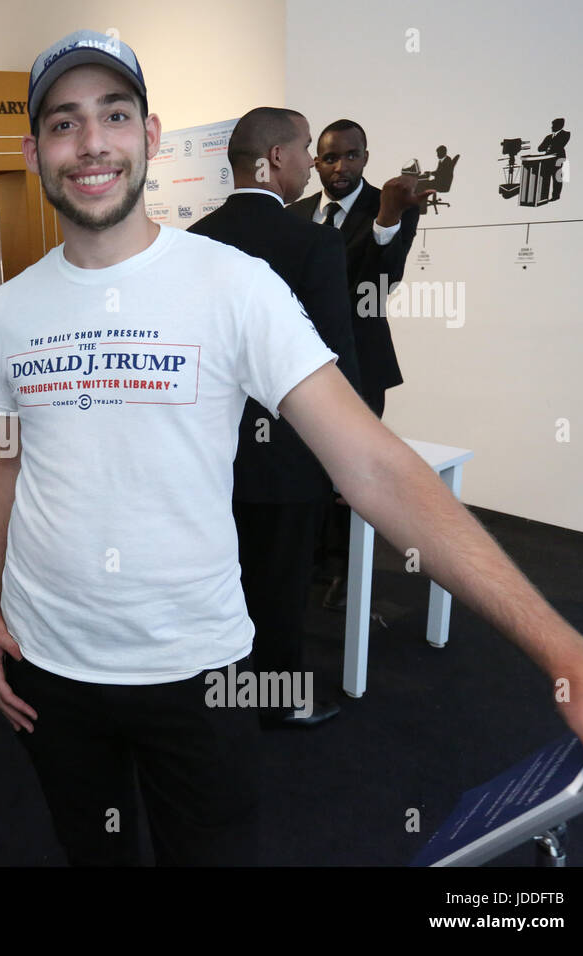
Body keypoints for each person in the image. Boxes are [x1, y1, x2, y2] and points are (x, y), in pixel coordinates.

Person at [0, 29, 583, 867]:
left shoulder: (231, 285)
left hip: (197, 670)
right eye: (64, 123)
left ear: (149, 136)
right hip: (47, 663)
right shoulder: (11, 311)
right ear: (33, 149)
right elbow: (0, 454)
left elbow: (373, 464)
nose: (91, 142)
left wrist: (563, 649)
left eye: (114, 115)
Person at [188, 106, 361, 728]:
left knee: (217, 577)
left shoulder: (193, 242)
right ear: (279, 158)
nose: (315, 161)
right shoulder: (314, 241)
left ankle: (220, 690)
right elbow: (332, 362)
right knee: (282, 585)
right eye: (308, 148)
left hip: (204, 453)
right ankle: (278, 700)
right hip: (288, 458)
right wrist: (352, 461)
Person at [287, 119, 430, 609]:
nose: (340, 167)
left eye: (350, 155)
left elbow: (383, 284)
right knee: (306, 465)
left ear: (366, 157)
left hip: (363, 364)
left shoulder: (391, 209)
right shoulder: (298, 211)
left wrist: (387, 219)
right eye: (329, 157)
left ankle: (350, 572)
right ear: (316, 162)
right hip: (300, 367)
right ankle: (312, 561)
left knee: (355, 473)